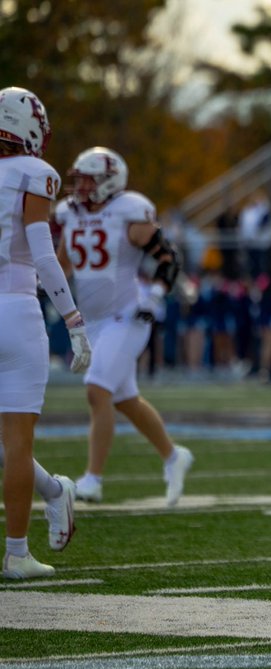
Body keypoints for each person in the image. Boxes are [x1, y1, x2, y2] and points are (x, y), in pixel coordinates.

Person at [55, 147, 194, 505]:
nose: (81, 187)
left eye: (88, 179)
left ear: (108, 182)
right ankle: (173, 455)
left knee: (97, 389)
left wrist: (156, 296)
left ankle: (93, 479)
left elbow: (168, 259)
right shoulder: (70, 214)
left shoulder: (129, 211)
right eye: (78, 179)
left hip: (128, 316)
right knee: (125, 400)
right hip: (94, 321)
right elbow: (63, 264)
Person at [0, 86, 92, 578]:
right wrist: (74, 320)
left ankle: (51, 498)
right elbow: (41, 253)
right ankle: (18, 551)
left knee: (11, 445)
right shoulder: (35, 173)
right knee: (15, 442)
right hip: (15, 309)